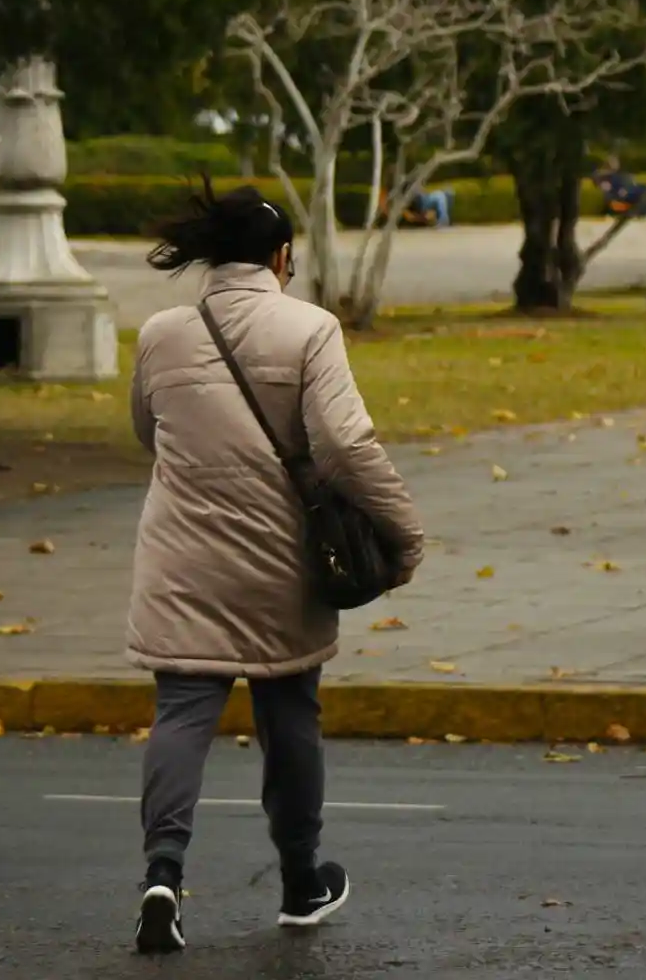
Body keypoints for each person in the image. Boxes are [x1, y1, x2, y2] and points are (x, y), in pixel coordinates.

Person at [127, 178, 425, 953]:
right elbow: (346, 446)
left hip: (180, 560)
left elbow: (145, 429)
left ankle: (163, 874)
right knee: (289, 710)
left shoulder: (160, 332)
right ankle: (300, 880)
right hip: (278, 559)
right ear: (281, 256)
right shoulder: (310, 329)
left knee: (182, 712)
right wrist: (404, 532)